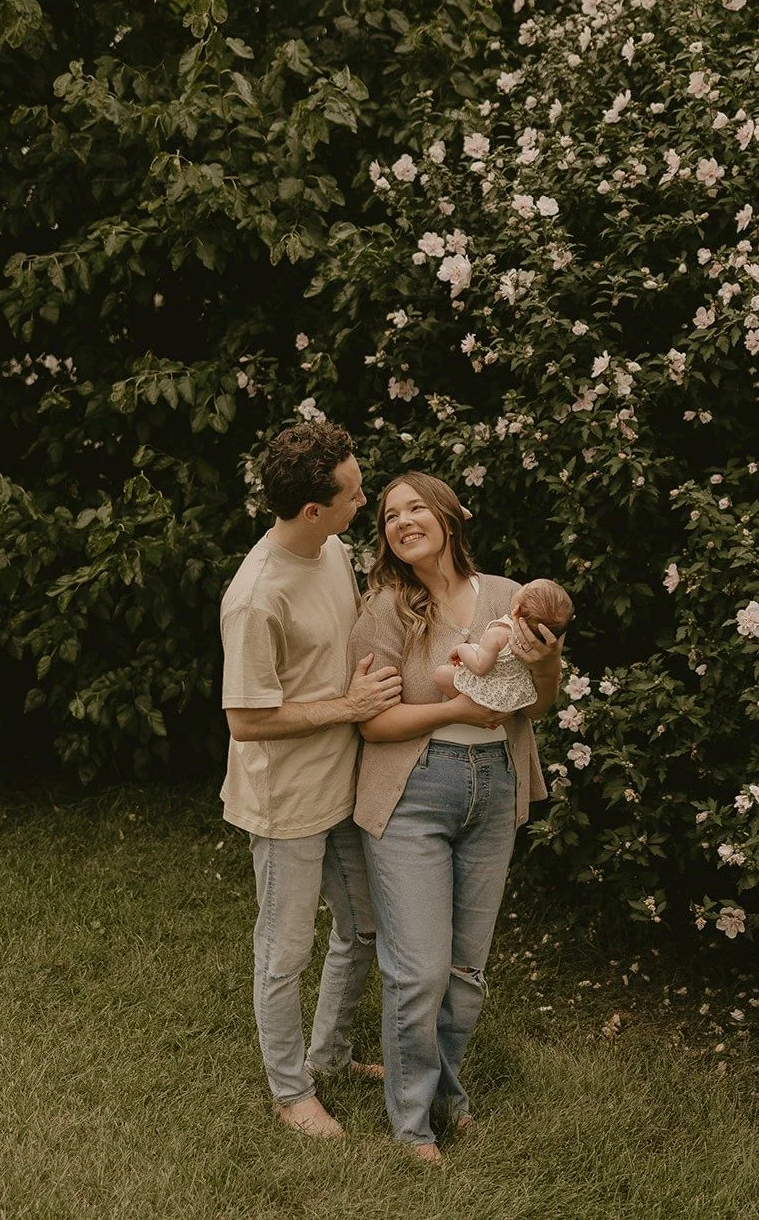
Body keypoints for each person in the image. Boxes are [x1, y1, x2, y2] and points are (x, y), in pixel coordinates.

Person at [347, 473, 563, 1162]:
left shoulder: (507, 597)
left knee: (466, 968)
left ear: (447, 515)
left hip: (494, 787)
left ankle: (444, 1090)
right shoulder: (384, 608)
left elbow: (537, 701)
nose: (402, 520)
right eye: (388, 514)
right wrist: (456, 711)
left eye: (415, 507)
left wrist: (548, 658)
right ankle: (412, 1124)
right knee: (418, 971)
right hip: (414, 789)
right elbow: (373, 725)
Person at [219, 420, 402, 1139]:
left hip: (343, 784)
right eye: (354, 494)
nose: (366, 502)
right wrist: (348, 706)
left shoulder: (331, 550)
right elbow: (244, 719)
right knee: (285, 950)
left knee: (360, 928)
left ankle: (329, 1052)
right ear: (312, 509)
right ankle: (291, 1091)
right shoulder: (256, 595)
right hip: (286, 802)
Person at [433, 578, 574, 712]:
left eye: (526, 585)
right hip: (515, 695)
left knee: (441, 674)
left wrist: (462, 648)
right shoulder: (538, 646)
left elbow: (480, 667)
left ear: (517, 609)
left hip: (494, 691)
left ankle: (472, 705)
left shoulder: (499, 634)